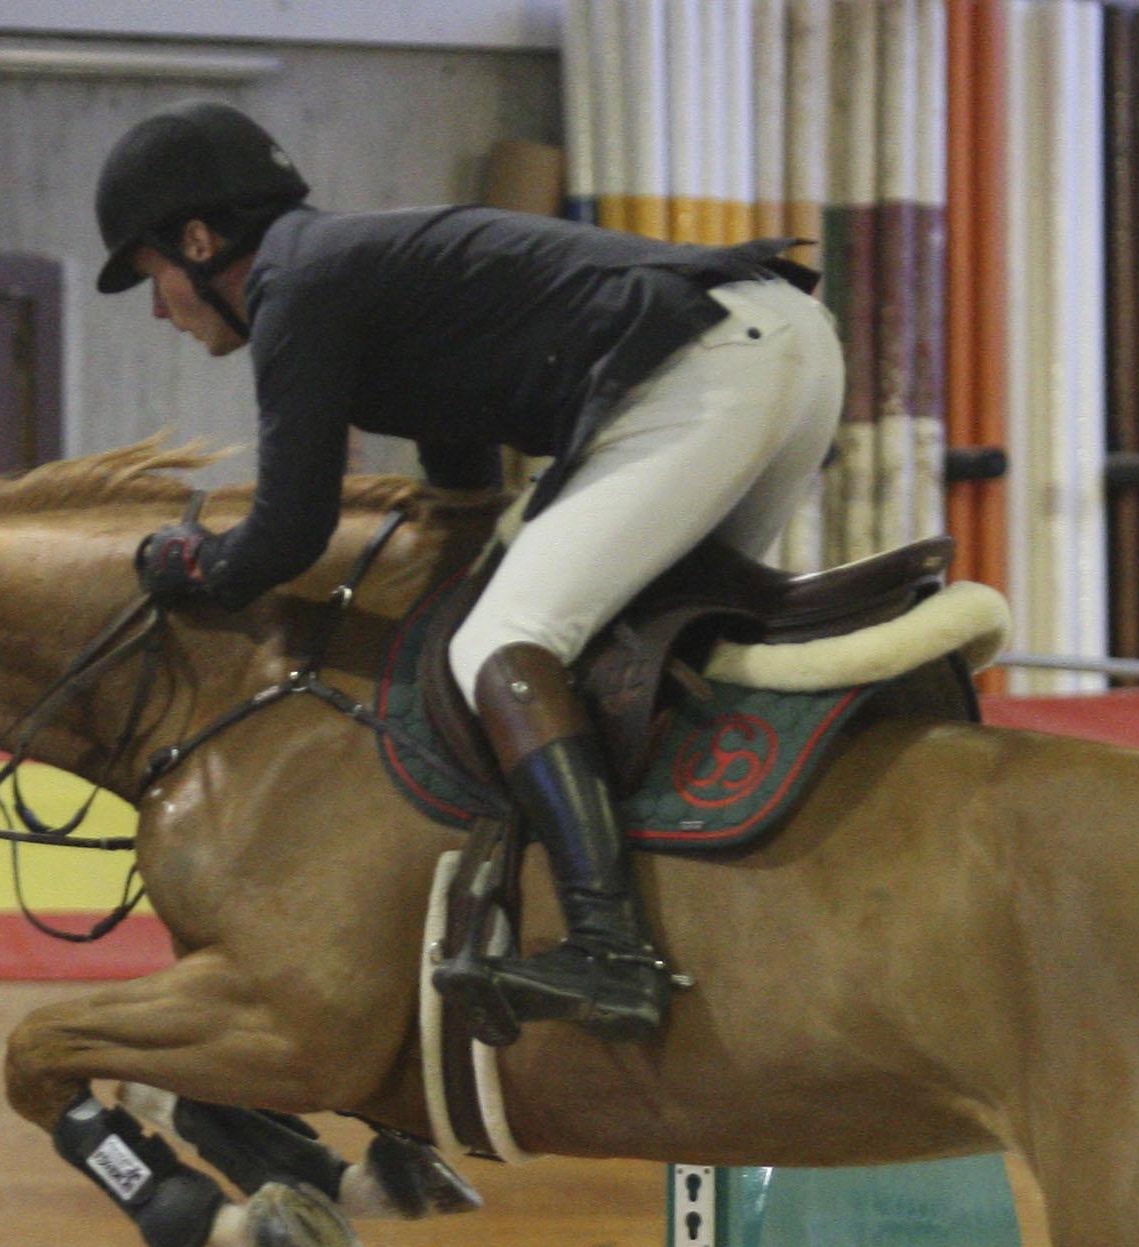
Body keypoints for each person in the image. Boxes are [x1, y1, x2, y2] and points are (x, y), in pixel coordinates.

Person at [95, 101, 844, 1044]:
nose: (158, 309)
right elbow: (460, 460)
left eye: (151, 276)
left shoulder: (296, 286)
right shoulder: (353, 268)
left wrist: (189, 561)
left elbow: (287, 533)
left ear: (199, 240)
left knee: (506, 639)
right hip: (782, 340)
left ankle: (611, 949)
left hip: (706, 362)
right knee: (643, 643)